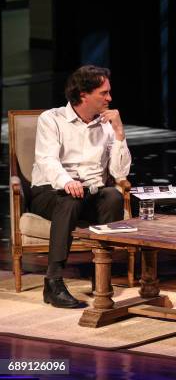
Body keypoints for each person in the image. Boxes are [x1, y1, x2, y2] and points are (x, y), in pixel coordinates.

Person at [30, 65, 131, 308]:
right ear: (83, 94)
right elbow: (47, 160)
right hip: (50, 191)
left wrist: (119, 132)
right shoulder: (52, 119)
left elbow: (120, 173)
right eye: (103, 93)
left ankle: (101, 276)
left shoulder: (107, 125)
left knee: (113, 197)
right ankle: (53, 282)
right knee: (70, 198)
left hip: (91, 193)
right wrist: (67, 182)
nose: (109, 98)